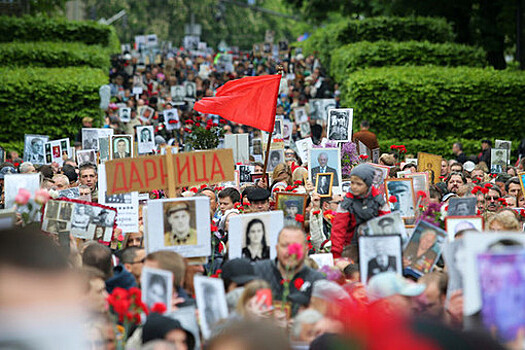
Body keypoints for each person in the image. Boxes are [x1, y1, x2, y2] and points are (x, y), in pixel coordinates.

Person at [253, 226, 325, 312]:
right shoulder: (258, 272)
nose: (291, 251)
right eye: (285, 245)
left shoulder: (317, 281)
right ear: (276, 248)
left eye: (296, 246)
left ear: (306, 250)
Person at [331, 164, 390, 258]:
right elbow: (338, 229)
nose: (354, 187)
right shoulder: (346, 203)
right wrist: (336, 254)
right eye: (352, 182)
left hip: (375, 244)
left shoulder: (378, 201)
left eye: (359, 184)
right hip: (352, 245)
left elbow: (387, 224)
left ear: (368, 184)